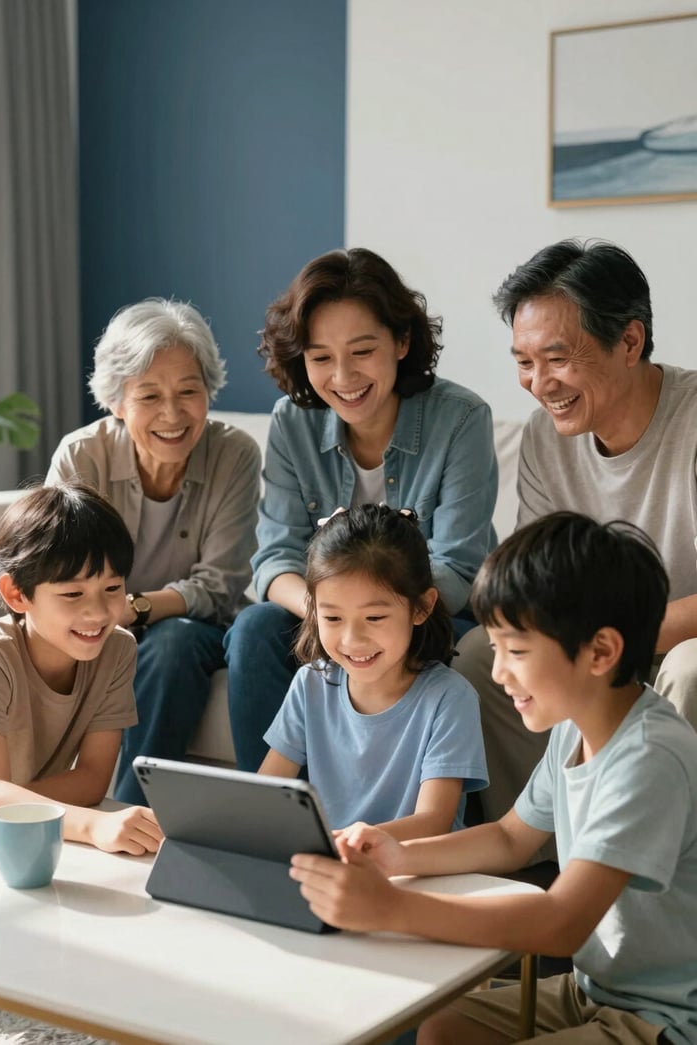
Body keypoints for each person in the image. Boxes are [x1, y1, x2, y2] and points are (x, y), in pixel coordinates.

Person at [290, 512, 697, 1045]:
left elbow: (561, 923)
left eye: (518, 652)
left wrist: (393, 908)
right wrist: (398, 854)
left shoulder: (647, 759)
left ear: (601, 652)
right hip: (596, 991)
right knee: (443, 1029)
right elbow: (510, 838)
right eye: (497, 647)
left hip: (667, 1019)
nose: (499, 672)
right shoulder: (575, 729)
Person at [225, 247, 498, 770]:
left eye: (362, 351)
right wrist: (334, 619)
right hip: (327, 614)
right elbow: (274, 560)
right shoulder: (292, 421)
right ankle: (263, 819)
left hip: (431, 618)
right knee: (255, 629)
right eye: (321, 356)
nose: (343, 376)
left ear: (401, 342)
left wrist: (365, 617)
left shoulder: (461, 419)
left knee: (460, 656)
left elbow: (459, 568)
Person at [455, 238, 697, 831]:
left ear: (630, 342)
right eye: (523, 361)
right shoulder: (544, 439)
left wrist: (612, 643)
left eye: (557, 359)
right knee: (476, 660)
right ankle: (545, 852)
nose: (540, 383)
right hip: (597, 640)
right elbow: (538, 586)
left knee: (690, 668)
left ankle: (661, 873)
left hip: (679, 638)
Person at [46, 298, 261, 805]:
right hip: (96, 626)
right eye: (149, 396)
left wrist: (136, 608)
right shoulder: (82, 456)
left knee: (173, 642)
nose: (172, 413)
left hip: (198, 630)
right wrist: (109, 616)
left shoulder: (236, 454)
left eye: (189, 390)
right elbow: (55, 574)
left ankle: (131, 810)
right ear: (117, 401)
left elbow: (221, 585)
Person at [0, 481, 163, 855]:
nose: (98, 612)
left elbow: (92, 779)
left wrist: (15, 804)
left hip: (12, 820)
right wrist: (91, 824)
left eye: (113, 588)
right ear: (17, 594)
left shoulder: (118, 649)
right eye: (73, 593)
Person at [259, 504, 488, 839]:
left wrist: (345, 843)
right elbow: (265, 792)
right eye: (333, 618)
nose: (352, 640)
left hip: (414, 870)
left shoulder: (450, 697)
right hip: (334, 865)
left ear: (421, 607)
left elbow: (434, 821)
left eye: (375, 618)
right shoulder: (311, 683)